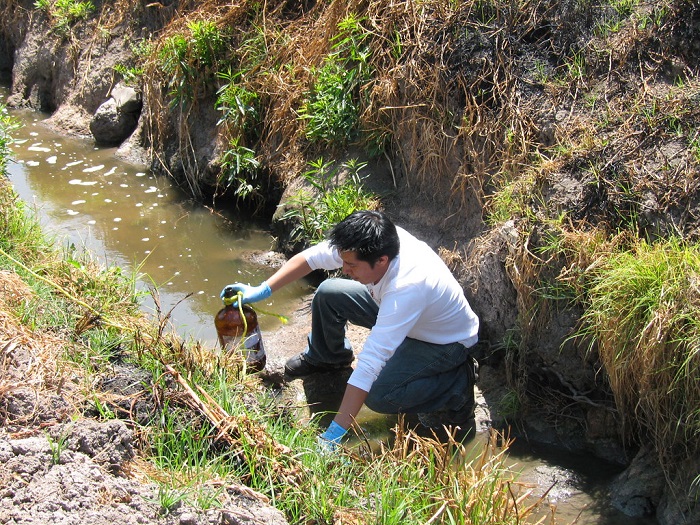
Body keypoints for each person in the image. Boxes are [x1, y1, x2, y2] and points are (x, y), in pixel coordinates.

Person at [220, 210, 479, 449]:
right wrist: (262, 289)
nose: (344, 269)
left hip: (443, 342)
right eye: (344, 262)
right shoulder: (373, 241)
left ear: (382, 261)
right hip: (405, 314)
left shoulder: (407, 286)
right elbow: (310, 259)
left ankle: (457, 384)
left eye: (352, 266)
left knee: (380, 396)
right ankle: (327, 359)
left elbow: (370, 363)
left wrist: (336, 431)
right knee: (329, 292)